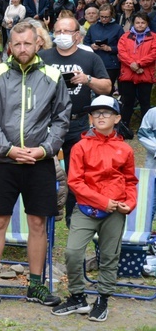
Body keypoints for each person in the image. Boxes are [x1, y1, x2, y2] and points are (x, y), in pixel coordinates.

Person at [0, 21, 71, 310]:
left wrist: (44, 150)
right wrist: (8, 150)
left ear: (37, 43)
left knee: (38, 224)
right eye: (16, 44)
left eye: (27, 43)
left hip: (39, 162)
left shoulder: (53, 75)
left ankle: (36, 285)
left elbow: (61, 117)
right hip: (4, 161)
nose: (21, 49)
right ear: (9, 46)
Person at [51, 95, 137, 322]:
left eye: (106, 112)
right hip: (86, 209)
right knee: (72, 252)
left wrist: (130, 203)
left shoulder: (125, 150)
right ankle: (77, 296)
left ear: (117, 118)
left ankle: (103, 299)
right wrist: (102, 201)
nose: (101, 116)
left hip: (116, 211)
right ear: (89, 118)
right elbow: (75, 182)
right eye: (96, 113)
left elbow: (130, 181)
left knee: (109, 256)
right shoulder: (80, 147)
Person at [39, 17, 112, 226]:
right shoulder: (43, 57)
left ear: (77, 35)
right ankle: (46, 212)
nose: (61, 35)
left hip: (77, 122)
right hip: (47, 123)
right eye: (58, 31)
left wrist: (87, 80)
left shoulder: (90, 58)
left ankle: (72, 213)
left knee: (76, 171)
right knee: (44, 169)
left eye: (67, 31)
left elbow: (107, 87)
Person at [117, 12, 156, 131]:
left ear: (147, 23)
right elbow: (121, 52)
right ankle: (124, 128)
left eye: (143, 22)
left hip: (145, 74)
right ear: (133, 23)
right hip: (128, 74)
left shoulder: (154, 37)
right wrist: (132, 64)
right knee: (127, 102)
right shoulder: (125, 36)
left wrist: (139, 64)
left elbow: (153, 54)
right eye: (137, 22)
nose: (140, 25)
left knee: (145, 103)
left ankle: (146, 128)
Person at [84, 4, 123, 87]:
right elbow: (85, 43)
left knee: (107, 89)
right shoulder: (93, 27)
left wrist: (110, 48)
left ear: (111, 16)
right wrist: (91, 46)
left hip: (111, 64)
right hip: (95, 62)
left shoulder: (118, 28)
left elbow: (123, 47)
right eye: (102, 17)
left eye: (107, 17)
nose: (104, 19)